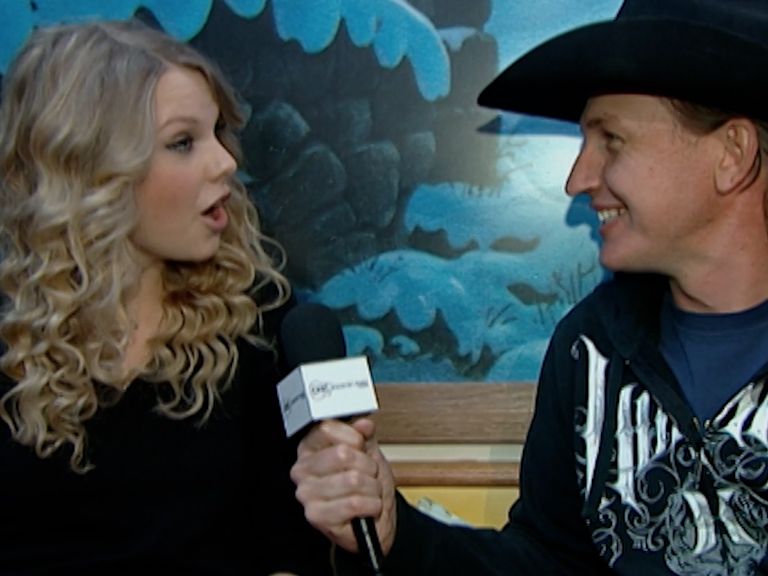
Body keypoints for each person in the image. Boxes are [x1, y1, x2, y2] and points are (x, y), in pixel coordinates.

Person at [289, 0, 768, 574]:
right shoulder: (592, 346)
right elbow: (546, 563)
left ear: (732, 155)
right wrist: (400, 533)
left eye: (612, 140)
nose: (577, 179)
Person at [0, 19, 334, 575]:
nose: (225, 162)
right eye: (183, 142)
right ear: (89, 173)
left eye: (218, 133)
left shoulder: (261, 322)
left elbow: (296, 548)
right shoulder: (11, 333)